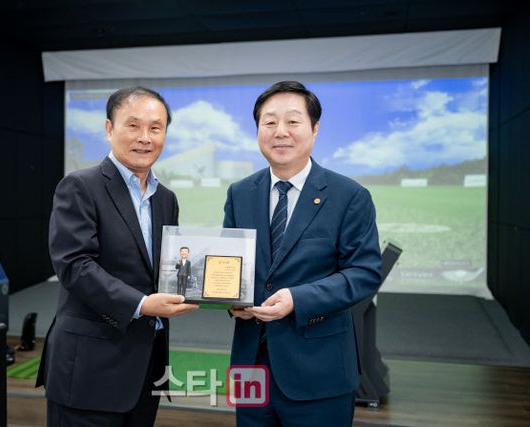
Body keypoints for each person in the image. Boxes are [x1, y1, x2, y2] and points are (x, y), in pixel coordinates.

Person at [36, 86, 198, 427]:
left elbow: (164, 268)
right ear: (109, 129)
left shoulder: (165, 198)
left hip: (146, 367)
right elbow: (74, 266)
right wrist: (142, 304)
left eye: (156, 128)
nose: (145, 137)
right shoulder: (80, 186)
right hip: (89, 370)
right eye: (133, 125)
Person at [223, 81, 382, 426]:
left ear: (315, 128)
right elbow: (232, 265)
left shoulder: (349, 196)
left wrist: (298, 299)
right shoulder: (240, 193)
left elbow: (365, 273)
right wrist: (230, 299)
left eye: (293, 121)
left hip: (319, 369)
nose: (280, 131)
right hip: (252, 365)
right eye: (269, 122)